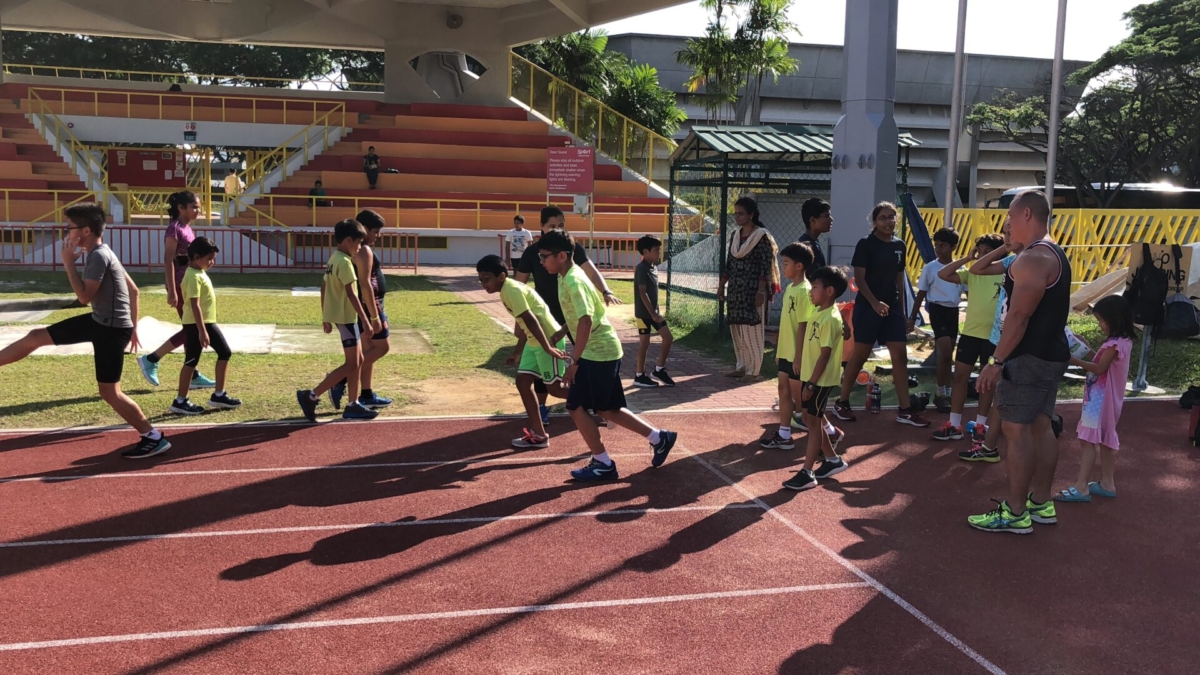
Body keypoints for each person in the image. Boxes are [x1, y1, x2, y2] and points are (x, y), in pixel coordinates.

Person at [0, 204, 170, 459]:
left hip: (110, 330)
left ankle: (153, 437)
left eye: (70, 228)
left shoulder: (98, 257)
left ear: (86, 230)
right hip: (102, 322)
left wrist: (68, 263)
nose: (66, 234)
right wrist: (132, 327)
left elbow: (83, 297)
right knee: (36, 336)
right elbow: (133, 291)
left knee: (110, 392)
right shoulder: (103, 251)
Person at [537, 229, 677, 481]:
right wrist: (561, 331)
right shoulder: (565, 275)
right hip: (601, 350)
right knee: (607, 409)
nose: (542, 262)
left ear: (561, 255)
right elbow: (587, 311)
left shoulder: (573, 280)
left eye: (544, 256)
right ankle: (659, 438)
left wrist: (575, 360)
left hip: (596, 353)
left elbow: (587, 320)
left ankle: (602, 462)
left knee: (576, 405)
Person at [970, 190, 1071, 534]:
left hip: (1027, 357)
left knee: (1015, 430)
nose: (1007, 226)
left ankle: (1015, 513)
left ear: (1027, 214)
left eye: (1011, 218)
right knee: (1041, 426)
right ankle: (1041, 503)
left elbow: (1019, 317)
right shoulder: (1049, 251)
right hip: (1049, 355)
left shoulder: (1033, 259)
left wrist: (996, 361)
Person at [515, 205, 621, 425]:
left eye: (561, 225)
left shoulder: (571, 262)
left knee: (585, 363)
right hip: (547, 321)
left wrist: (606, 291)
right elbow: (520, 286)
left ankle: (601, 406)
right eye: (551, 226)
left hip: (574, 319)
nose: (556, 229)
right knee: (545, 367)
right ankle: (545, 407)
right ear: (541, 227)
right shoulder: (533, 253)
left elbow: (590, 271)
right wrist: (520, 319)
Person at [833, 202, 929, 427]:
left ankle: (905, 410)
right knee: (860, 355)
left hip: (893, 309)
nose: (888, 221)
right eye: (883, 218)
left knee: (900, 356)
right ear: (874, 222)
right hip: (868, 308)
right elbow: (859, 279)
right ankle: (842, 402)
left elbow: (899, 280)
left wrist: (905, 314)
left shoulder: (900, 245)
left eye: (892, 217)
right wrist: (875, 303)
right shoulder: (866, 244)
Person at [476, 254, 570, 448]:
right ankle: (539, 435)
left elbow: (531, 320)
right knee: (523, 382)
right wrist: (518, 351)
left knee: (554, 388)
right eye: (480, 280)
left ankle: (600, 401)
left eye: (486, 279)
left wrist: (548, 348)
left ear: (501, 276)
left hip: (548, 339)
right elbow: (524, 325)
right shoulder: (506, 290)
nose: (483, 284)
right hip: (534, 342)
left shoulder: (511, 290)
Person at [1056, 295, 1135, 503]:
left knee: (1087, 440)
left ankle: (1081, 486)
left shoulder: (1113, 345)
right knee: (1106, 440)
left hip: (1098, 401)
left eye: (1101, 320)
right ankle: (1107, 483)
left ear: (1114, 319)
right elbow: (1099, 360)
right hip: (1109, 402)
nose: (1100, 324)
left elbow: (1099, 368)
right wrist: (1086, 347)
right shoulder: (1122, 342)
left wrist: (1072, 359)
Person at [296, 220, 378, 422]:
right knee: (352, 363)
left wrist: (325, 316)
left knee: (357, 362)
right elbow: (352, 295)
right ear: (349, 241)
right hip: (347, 318)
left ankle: (353, 404)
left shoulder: (333, 258)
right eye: (359, 244)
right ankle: (311, 395)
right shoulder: (345, 263)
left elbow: (324, 287)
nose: (360, 248)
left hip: (342, 317)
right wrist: (366, 321)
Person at [137, 191, 215, 391]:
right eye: (194, 207)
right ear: (181, 208)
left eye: (198, 207)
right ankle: (151, 359)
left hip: (189, 283)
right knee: (192, 329)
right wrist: (171, 289)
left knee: (191, 329)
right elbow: (168, 259)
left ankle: (194, 373)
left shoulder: (187, 228)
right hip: (181, 285)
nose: (198, 211)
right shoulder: (175, 229)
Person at [782, 266, 851, 491]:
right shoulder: (820, 311)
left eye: (815, 287)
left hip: (820, 381)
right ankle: (832, 460)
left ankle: (807, 472)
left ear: (829, 291)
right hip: (812, 377)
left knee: (812, 422)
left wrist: (811, 383)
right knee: (814, 420)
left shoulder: (829, 319)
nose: (810, 291)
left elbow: (826, 354)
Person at [958, 220, 1022, 462]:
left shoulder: (1035, 259)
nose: (1007, 237)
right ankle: (987, 446)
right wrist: (1005, 247)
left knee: (1012, 399)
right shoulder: (1009, 260)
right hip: (998, 336)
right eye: (1004, 233)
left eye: (1011, 232)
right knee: (996, 390)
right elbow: (976, 268)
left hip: (1017, 340)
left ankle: (993, 444)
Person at [933, 233, 1005, 441]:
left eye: (987, 252)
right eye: (980, 252)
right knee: (960, 378)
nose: (982, 256)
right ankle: (954, 425)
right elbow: (943, 274)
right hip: (970, 334)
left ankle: (981, 425)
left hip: (994, 337)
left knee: (987, 383)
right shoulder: (972, 273)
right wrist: (967, 258)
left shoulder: (1006, 273)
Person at [169, 237, 242, 415]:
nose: (212, 262)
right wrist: (202, 331)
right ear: (196, 257)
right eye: (209, 258)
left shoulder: (199, 272)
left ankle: (218, 394)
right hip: (196, 324)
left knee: (223, 353)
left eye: (213, 258)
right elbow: (195, 305)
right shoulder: (193, 276)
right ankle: (181, 400)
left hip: (205, 322)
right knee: (192, 360)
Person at [716, 196, 780, 381]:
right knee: (737, 328)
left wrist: (761, 291)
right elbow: (729, 263)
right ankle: (741, 365)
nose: (737, 217)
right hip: (736, 290)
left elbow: (765, 266)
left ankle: (754, 370)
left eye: (741, 213)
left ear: (751, 215)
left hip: (753, 291)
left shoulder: (762, 236)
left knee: (752, 330)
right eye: (735, 213)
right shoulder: (735, 236)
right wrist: (722, 286)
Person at [761, 242, 815, 450]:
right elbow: (787, 323)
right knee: (783, 389)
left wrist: (799, 356)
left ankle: (828, 433)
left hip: (797, 353)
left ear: (799, 266)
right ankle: (784, 435)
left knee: (802, 398)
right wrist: (779, 349)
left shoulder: (804, 290)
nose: (782, 268)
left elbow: (803, 325)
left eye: (785, 263)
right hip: (786, 351)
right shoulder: (791, 288)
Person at [910, 228, 962, 413]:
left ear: (954, 247)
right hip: (937, 310)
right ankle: (941, 393)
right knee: (945, 353)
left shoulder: (960, 268)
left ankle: (946, 392)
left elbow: (967, 290)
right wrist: (912, 317)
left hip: (953, 312)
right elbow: (921, 293)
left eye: (943, 245)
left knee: (950, 356)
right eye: (936, 245)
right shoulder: (930, 267)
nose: (939, 249)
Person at [350, 209, 393, 410]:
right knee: (382, 347)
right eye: (375, 231)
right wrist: (374, 315)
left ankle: (366, 393)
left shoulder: (359, 248)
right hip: (371, 306)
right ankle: (340, 379)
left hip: (369, 305)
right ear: (365, 229)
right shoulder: (364, 249)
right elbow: (365, 284)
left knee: (369, 350)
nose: (378, 235)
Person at [632, 234, 675, 388]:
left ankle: (659, 370)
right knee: (644, 343)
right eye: (656, 250)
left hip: (654, 313)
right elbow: (642, 293)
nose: (659, 252)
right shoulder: (641, 268)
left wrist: (656, 312)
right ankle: (639, 375)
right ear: (645, 251)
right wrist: (652, 314)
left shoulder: (654, 267)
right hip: (645, 314)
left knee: (668, 338)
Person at [798, 198, 832, 278]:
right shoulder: (806, 246)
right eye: (826, 216)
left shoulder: (813, 242)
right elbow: (816, 278)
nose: (831, 219)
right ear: (813, 220)